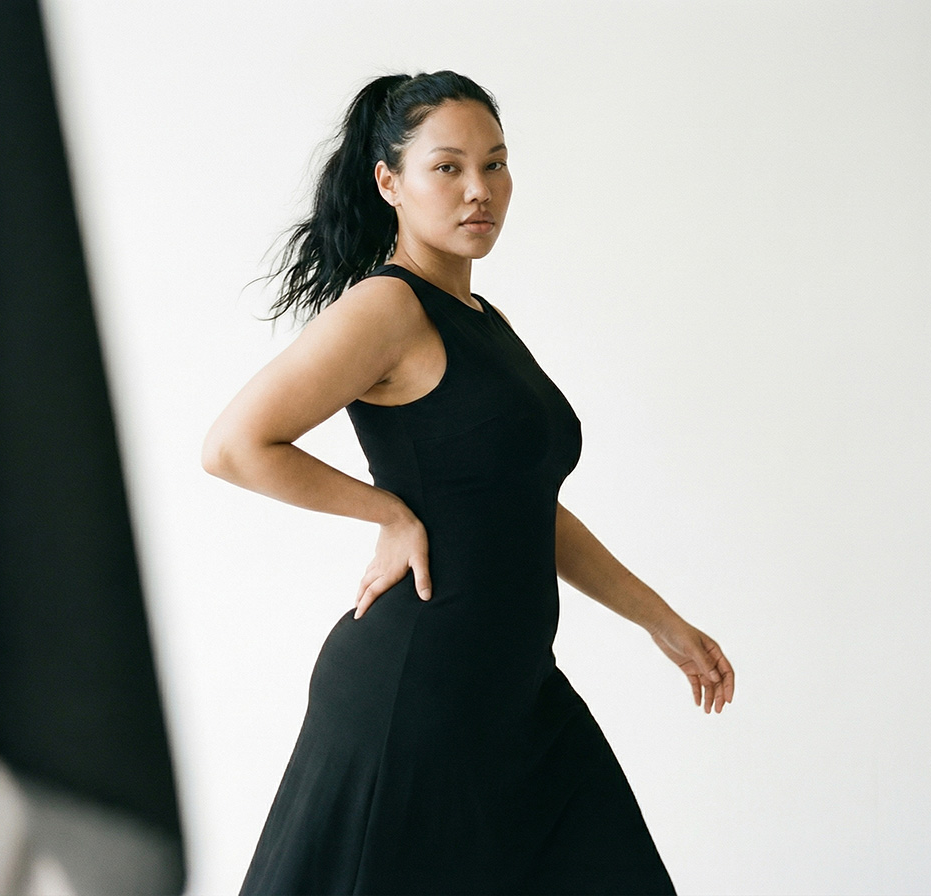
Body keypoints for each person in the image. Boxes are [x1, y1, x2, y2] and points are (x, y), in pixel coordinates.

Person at [202, 70, 734, 895]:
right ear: (390, 182)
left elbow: (527, 509)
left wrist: (660, 622)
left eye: (495, 164)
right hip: (419, 693)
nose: (479, 190)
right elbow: (235, 445)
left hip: (518, 697)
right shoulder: (387, 309)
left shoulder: (489, 324)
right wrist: (388, 513)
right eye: (447, 167)